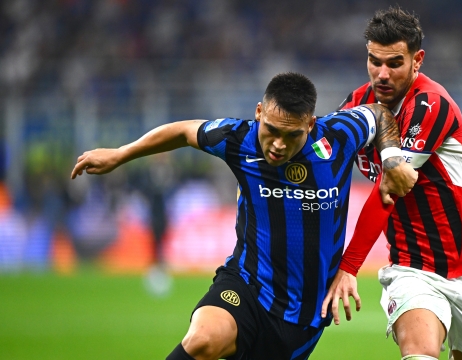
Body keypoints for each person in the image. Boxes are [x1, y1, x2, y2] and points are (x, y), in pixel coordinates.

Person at [70, 72, 417, 360]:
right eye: (271, 130)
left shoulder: (338, 135)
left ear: (310, 124)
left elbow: (379, 115)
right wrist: (120, 154)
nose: (277, 144)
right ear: (258, 113)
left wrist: (391, 158)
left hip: (304, 313)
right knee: (202, 340)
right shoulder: (238, 139)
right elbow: (182, 131)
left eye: (291, 134)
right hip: (248, 283)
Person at [321, 7, 462, 360]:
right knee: (420, 353)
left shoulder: (430, 104)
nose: (381, 74)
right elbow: (320, 158)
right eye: (373, 61)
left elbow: (389, 190)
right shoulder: (356, 107)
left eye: (394, 63)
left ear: (417, 60)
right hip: (414, 267)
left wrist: (349, 266)